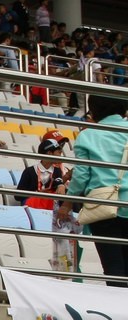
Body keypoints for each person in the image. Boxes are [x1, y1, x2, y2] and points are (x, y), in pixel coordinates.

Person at [56, 94, 128, 281]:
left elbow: (81, 175)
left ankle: (119, 307)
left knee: (113, 268)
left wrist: (67, 204)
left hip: (103, 206)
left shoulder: (88, 135)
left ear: (95, 110)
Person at [18, 134, 77, 273]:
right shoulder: (30, 171)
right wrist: (40, 192)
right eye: (58, 151)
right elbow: (18, 195)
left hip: (50, 205)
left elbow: (58, 187)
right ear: (49, 153)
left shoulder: (56, 171)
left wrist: (63, 180)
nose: (61, 154)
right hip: (33, 204)